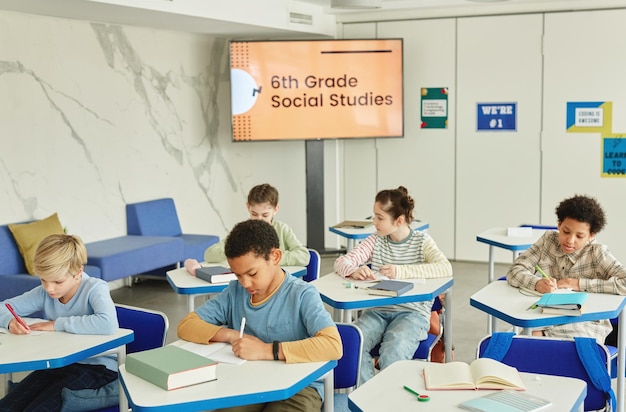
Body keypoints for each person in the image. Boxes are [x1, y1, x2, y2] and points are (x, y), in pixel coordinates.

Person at [177, 219, 342, 412]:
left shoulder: (301, 294)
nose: (245, 283)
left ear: (275, 257)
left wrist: (266, 350)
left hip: (299, 387)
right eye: (238, 275)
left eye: (252, 273)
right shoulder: (235, 292)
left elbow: (333, 345)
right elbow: (187, 325)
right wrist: (232, 335)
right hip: (249, 380)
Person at [334, 186, 453, 383]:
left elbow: (445, 268)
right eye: (374, 216)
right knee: (354, 344)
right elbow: (342, 262)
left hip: (412, 313)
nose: (374, 222)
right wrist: (354, 270)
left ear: (398, 221)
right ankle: (370, 399)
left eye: (379, 218)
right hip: (378, 310)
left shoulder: (422, 241)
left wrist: (401, 270)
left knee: (392, 354)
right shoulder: (376, 240)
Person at [0, 234, 118, 411]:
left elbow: (108, 323)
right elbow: (4, 307)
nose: (49, 288)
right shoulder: (45, 292)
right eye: (43, 280)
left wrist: (56, 324)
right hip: (58, 363)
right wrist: (9, 321)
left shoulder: (94, 288)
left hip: (97, 367)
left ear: (78, 272)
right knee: (6, 407)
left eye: (58, 281)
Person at [507, 194, 626, 343]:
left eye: (580, 236)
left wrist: (576, 284)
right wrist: (536, 283)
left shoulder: (597, 252)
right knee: (530, 338)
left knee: (567, 348)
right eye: (566, 232)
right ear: (559, 225)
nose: (570, 240)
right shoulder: (548, 241)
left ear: (591, 235)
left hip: (584, 321)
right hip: (546, 316)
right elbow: (515, 270)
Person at [184, 183, 309, 275]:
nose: (259, 220)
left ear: (275, 210)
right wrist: (237, 251)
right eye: (254, 214)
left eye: (265, 215)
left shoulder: (282, 229)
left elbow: (304, 256)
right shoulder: (242, 231)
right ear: (248, 207)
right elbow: (209, 254)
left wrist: (269, 258)